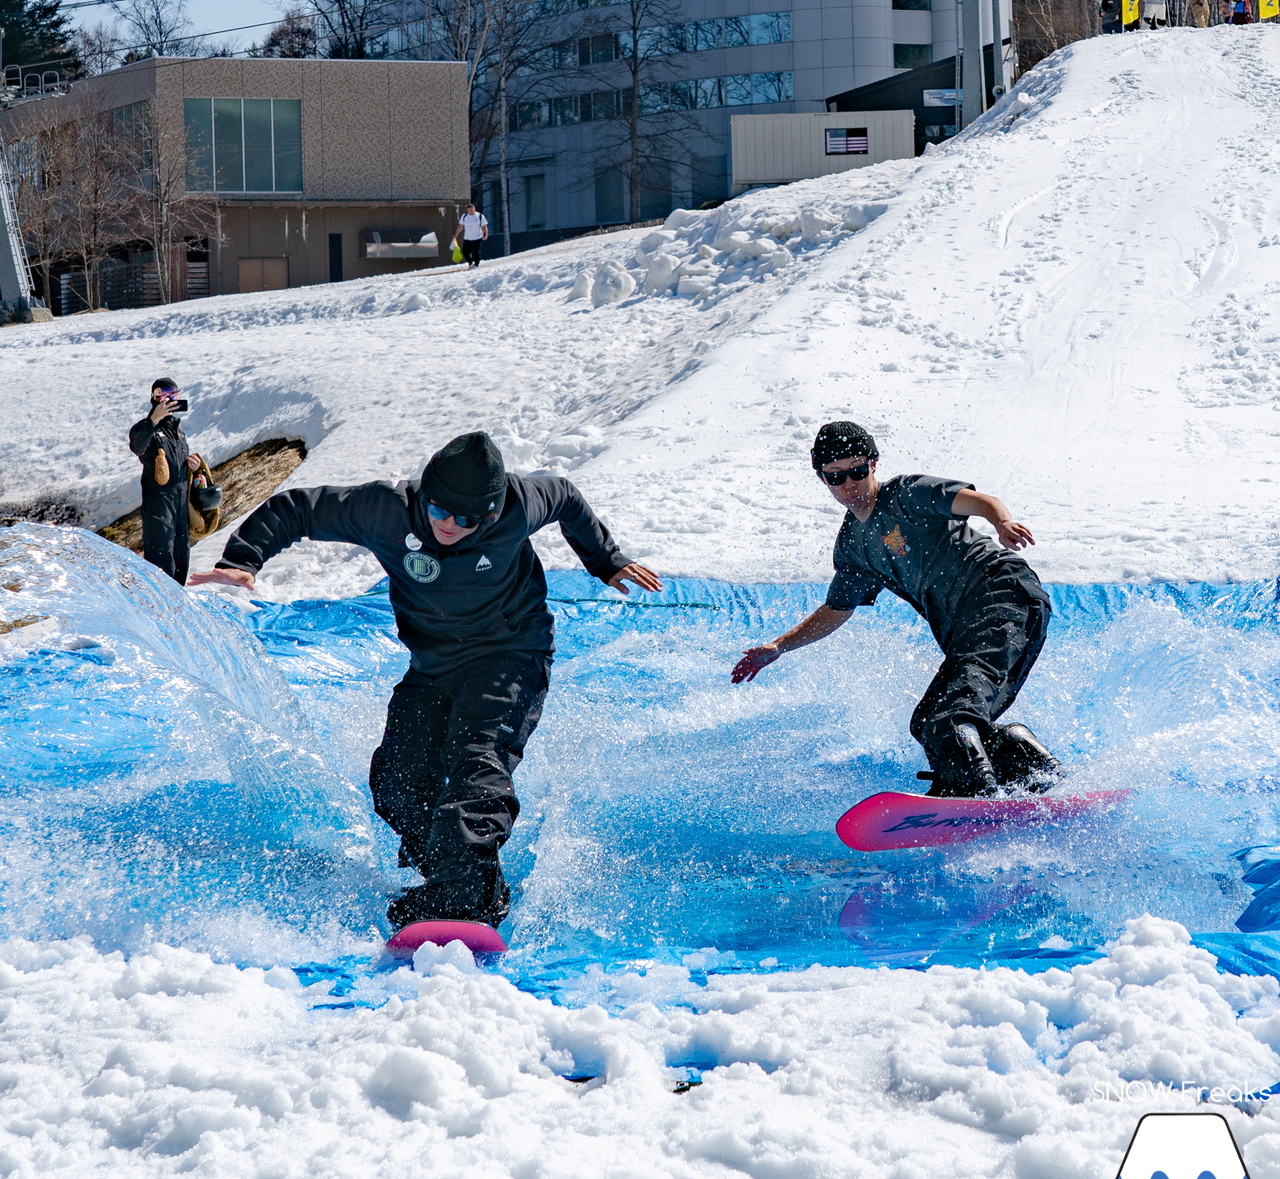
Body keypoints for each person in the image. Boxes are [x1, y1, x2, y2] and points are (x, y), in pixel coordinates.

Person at [192, 431, 661, 929]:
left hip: (511, 654)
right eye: (441, 512)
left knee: (476, 761)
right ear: (426, 496)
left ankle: (466, 892)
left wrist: (605, 561)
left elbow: (565, 494)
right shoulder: (386, 509)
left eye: (468, 519)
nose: (451, 526)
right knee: (397, 780)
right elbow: (295, 509)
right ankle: (446, 875)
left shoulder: (520, 504)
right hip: (433, 665)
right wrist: (243, 560)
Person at [730, 421, 1061, 799]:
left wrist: (1002, 523)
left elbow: (979, 501)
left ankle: (974, 797)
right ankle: (1026, 764)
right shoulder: (853, 544)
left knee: (948, 718)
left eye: (857, 471)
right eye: (836, 477)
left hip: (1004, 596)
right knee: (928, 722)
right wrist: (779, 646)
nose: (849, 484)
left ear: (873, 464)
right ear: (823, 480)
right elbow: (837, 610)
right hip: (970, 628)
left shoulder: (906, 495)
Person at [128, 377, 201, 583]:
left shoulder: (178, 432)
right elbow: (137, 447)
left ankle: (176, 609)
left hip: (179, 503)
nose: (169, 398)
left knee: (181, 559)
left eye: (174, 394)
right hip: (158, 504)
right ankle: (157, 609)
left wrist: (194, 468)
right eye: (163, 394)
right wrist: (153, 421)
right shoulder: (144, 428)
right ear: (154, 398)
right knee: (161, 561)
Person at [454, 202, 489, 269]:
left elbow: (484, 226)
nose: (469, 212)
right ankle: (470, 263)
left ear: (474, 209)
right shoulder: (464, 216)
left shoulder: (479, 216)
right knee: (465, 252)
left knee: (476, 252)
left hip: (477, 237)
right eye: (468, 210)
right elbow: (461, 226)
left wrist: (486, 234)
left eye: (471, 210)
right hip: (467, 238)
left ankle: (476, 264)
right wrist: (456, 234)